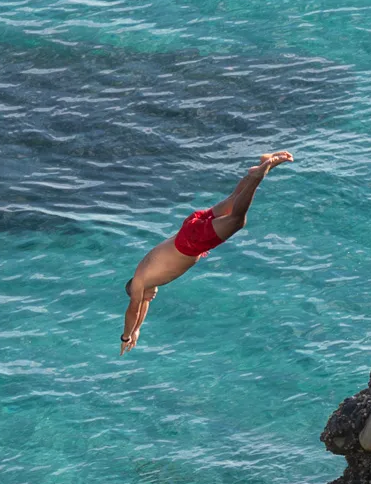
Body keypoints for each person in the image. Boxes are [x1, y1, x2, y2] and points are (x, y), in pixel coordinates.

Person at [120, 151, 294, 355]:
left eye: (141, 298)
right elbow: (142, 309)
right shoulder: (145, 276)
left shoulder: (140, 282)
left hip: (191, 243)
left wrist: (126, 336)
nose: (147, 300)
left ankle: (257, 176)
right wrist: (137, 330)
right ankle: (264, 165)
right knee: (231, 202)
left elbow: (134, 309)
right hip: (188, 228)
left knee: (237, 220)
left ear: (134, 291)